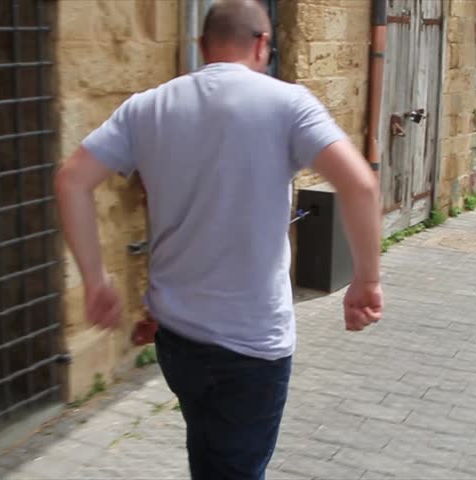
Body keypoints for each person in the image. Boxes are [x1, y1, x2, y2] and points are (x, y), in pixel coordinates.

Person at [54, 0, 383, 478]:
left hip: (178, 339)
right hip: (251, 346)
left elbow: (71, 181)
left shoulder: (147, 106)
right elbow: (360, 184)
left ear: (201, 46)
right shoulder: (288, 104)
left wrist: (95, 278)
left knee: (211, 451)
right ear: (262, 44)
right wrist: (366, 281)